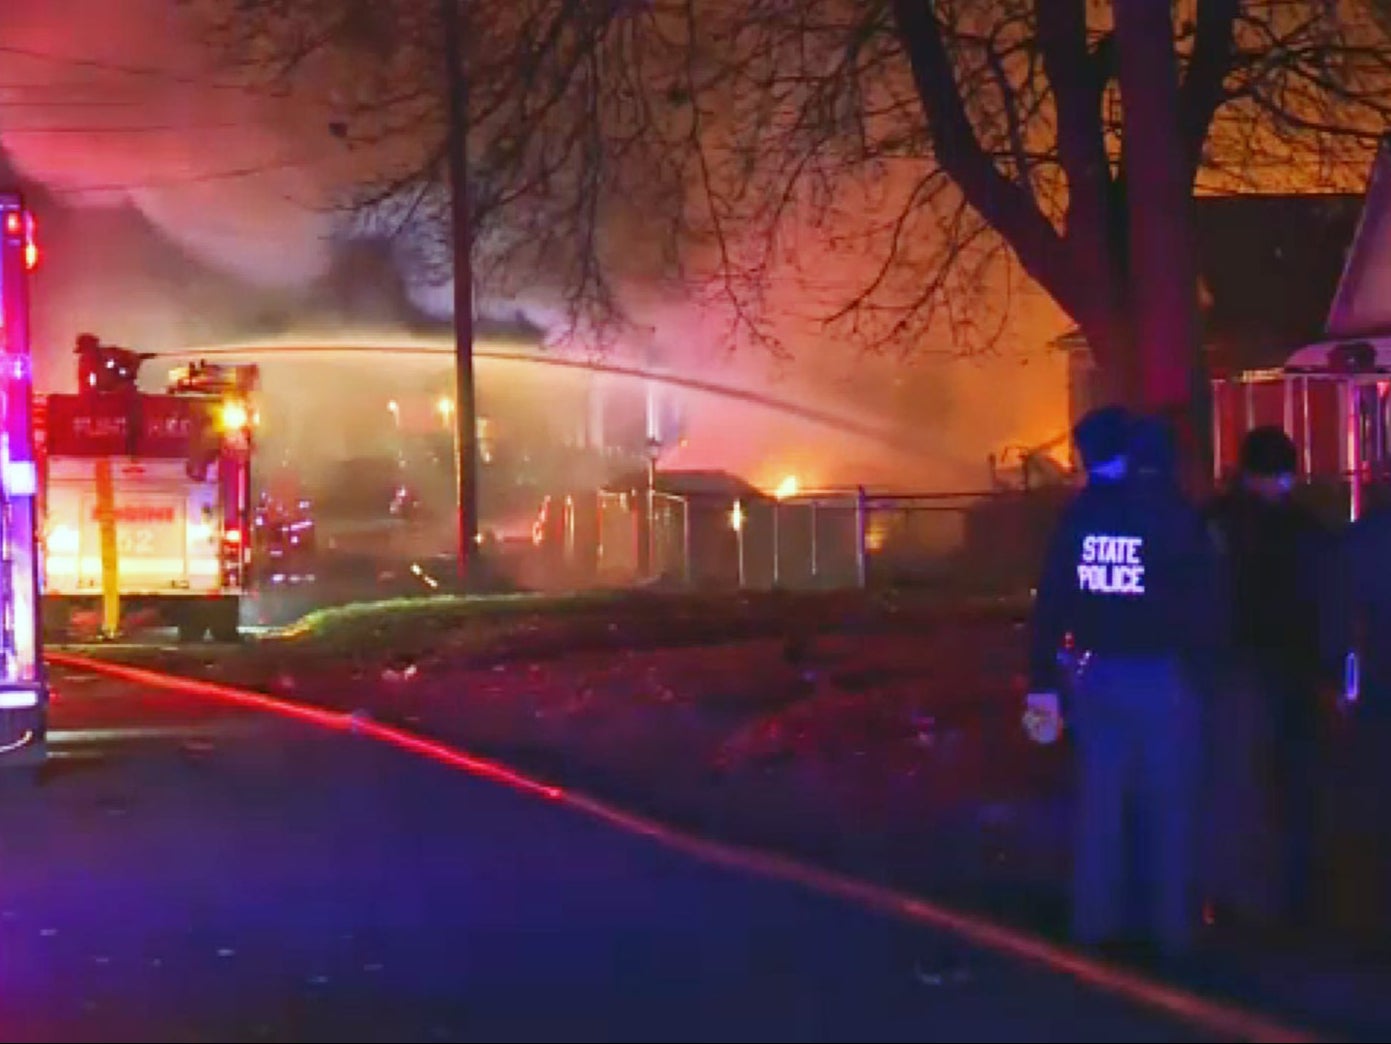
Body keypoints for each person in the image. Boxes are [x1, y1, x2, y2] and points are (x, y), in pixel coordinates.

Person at [1025, 407, 1222, 960]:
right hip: (1163, 677)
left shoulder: (1079, 516)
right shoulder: (1176, 519)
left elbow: (1051, 607)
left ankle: (1093, 926)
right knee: (1169, 804)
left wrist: (1041, 695)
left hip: (1091, 675)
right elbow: (1204, 606)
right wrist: (1203, 677)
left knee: (1098, 804)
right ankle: (1172, 932)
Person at [1205, 426, 1327, 939]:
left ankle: (1238, 900)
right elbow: (1324, 603)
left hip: (1237, 669)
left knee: (1240, 788)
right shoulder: (1306, 529)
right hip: (1290, 672)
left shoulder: (1216, 524)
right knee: (1292, 790)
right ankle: (1294, 902)